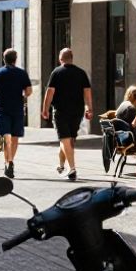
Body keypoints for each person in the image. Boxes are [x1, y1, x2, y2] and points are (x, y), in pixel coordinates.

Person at [43, 48, 93, 182]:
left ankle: (72, 169)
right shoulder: (81, 73)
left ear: (61, 59)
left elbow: (49, 93)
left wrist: (45, 109)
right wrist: (89, 108)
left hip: (61, 111)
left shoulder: (56, 73)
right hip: (77, 111)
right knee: (68, 140)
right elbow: (87, 93)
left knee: (65, 139)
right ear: (72, 58)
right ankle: (61, 165)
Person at [0, 48, 33, 178]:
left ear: (3, 59)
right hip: (17, 109)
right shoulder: (22, 74)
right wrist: (22, 94)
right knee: (15, 137)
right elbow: (28, 91)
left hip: (2, 109)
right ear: (15, 59)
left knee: (7, 137)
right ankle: (10, 161)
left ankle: (8, 162)